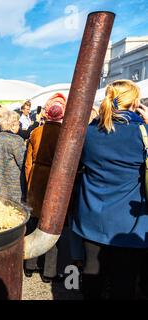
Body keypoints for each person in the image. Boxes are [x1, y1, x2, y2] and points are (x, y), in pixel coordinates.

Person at [73, 79, 148, 299]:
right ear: (135, 103)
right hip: (129, 220)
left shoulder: (89, 132)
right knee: (124, 279)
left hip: (92, 212)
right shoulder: (141, 133)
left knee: (92, 271)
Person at [24, 93, 68, 282]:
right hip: (57, 179)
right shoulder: (66, 134)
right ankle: (49, 271)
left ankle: (29, 265)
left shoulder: (36, 132)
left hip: (37, 178)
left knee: (33, 222)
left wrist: (30, 182)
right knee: (52, 224)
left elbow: (28, 163)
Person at [0, 110, 25, 203]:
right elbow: (23, 164)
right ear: (12, 125)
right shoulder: (17, 140)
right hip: (12, 186)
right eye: (18, 124)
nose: (19, 126)